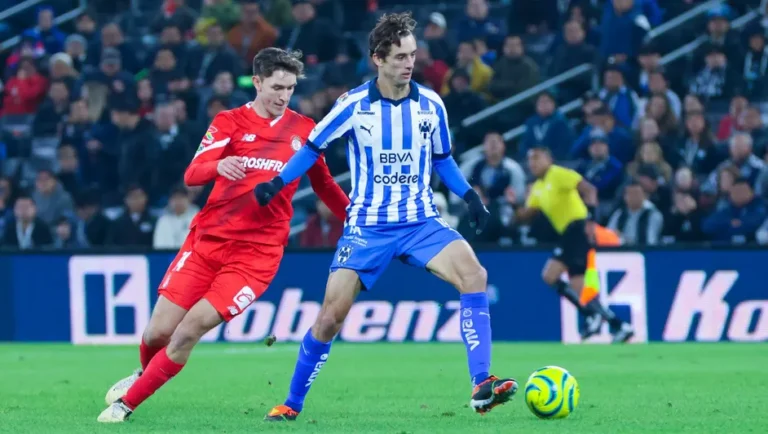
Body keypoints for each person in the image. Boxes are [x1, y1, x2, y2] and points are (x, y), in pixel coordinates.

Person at [255, 12, 517, 421]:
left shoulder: (431, 104)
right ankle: (291, 402)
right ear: (378, 59)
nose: (408, 63)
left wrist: (470, 198)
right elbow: (311, 147)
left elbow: (443, 159)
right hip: (367, 227)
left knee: (475, 275)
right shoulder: (354, 105)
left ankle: (482, 383)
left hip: (420, 223)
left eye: (412, 54)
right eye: (399, 56)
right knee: (329, 318)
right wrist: (276, 183)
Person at [97, 47, 350, 423]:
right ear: (258, 82)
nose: (284, 96)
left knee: (187, 332)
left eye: (291, 88)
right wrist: (219, 164)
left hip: (256, 256)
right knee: (157, 333)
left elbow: (325, 185)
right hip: (206, 243)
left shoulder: (303, 130)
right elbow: (192, 174)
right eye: (277, 87)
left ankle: (125, 406)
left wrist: (356, 219)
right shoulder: (229, 121)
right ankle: (143, 376)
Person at [515, 147, 634, 343]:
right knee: (569, 283)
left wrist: (591, 220)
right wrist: (514, 206)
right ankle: (616, 324)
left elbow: (589, 189)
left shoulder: (558, 174)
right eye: (530, 160)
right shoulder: (537, 187)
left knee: (554, 276)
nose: (533, 163)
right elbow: (527, 215)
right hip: (567, 234)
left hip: (578, 228)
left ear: (549, 158)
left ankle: (594, 316)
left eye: (537, 158)